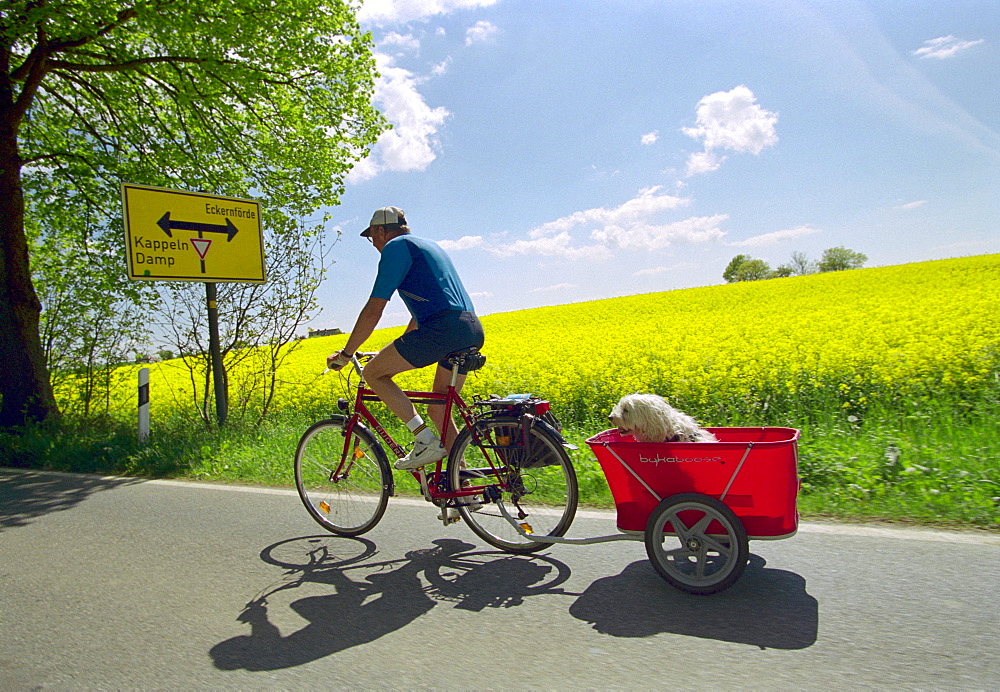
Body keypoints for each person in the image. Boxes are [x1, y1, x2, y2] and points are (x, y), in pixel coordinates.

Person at [327, 207, 485, 470]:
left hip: (442, 330)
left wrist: (346, 354)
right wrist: (392, 349)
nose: (374, 244)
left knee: (373, 373)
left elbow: (374, 308)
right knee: (439, 409)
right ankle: (462, 482)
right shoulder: (428, 246)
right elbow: (419, 318)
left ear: (380, 230)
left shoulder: (396, 248)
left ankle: (424, 440)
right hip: (469, 327)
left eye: (372, 238)